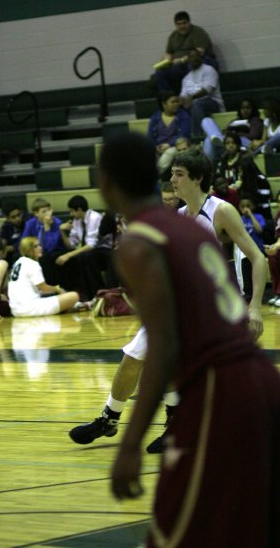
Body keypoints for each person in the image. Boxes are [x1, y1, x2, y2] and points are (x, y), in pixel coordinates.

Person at [87, 133, 280, 548]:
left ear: (107, 182)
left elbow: (165, 348)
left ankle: (114, 418)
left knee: (173, 532)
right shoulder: (185, 225)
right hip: (256, 377)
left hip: (219, 386)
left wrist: (132, 443)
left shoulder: (140, 244)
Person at [69, 149, 266, 453]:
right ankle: (110, 418)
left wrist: (254, 307)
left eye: (179, 174)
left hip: (213, 306)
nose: (172, 179)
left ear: (198, 178)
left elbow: (257, 257)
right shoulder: (179, 215)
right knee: (134, 357)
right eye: (172, 173)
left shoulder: (221, 210)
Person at [8, 237, 79, 317]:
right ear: (28, 250)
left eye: (39, 245)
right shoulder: (32, 264)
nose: (40, 248)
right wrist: (57, 289)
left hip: (15, 310)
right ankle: (80, 305)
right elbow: (43, 288)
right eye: (36, 246)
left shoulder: (18, 262)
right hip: (29, 309)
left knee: (57, 297)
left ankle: (74, 307)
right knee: (73, 295)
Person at [154, 12, 215, 95]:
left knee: (192, 66)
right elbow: (168, 52)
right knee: (160, 72)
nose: (182, 26)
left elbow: (200, 51)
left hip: (197, 61)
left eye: (184, 23)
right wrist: (166, 58)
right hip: (178, 65)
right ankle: (167, 99)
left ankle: (194, 95)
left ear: (189, 22)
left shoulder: (198, 32)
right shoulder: (173, 36)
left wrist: (182, 60)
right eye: (179, 24)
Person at [55, 195, 102, 292]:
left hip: (101, 249)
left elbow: (91, 245)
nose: (71, 214)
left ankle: (94, 293)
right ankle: (67, 291)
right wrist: (62, 232)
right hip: (88, 249)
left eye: (72, 211)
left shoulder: (94, 217)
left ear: (79, 209)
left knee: (83, 256)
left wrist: (68, 255)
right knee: (56, 255)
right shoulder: (77, 221)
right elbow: (71, 245)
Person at [201, 97, 263, 162]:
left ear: (253, 109)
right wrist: (226, 133)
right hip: (228, 142)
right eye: (242, 108)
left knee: (209, 140)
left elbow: (254, 135)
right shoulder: (235, 121)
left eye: (248, 108)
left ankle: (208, 164)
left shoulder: (255, 120)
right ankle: (219, 139)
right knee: (206, 121)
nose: (245, 110)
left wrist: (236, 134)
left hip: (243, 143)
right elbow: (226, 131)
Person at [21, 197, 68, 283]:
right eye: (44, 211)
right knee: (18, 257)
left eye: (49, 210)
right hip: (36, 250)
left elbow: (49, 248)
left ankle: (50, 286)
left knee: (45, 258)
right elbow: (24, 242)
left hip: (56, 251)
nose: (48, 214)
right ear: (36, 213)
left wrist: (47, 226)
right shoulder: (30, 223)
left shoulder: (57, 223)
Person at [179, 49, 224, 137]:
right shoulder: (186, 78)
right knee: (178, 108)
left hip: (213, 103)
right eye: (191, 56)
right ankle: (182, 138)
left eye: (196, 55)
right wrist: (182, 101)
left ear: (200, 57)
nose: (194, 58)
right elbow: (183, 95)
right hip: (194, 106)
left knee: (196, 103)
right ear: (188, 59)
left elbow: (208, 90)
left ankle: (196, 136)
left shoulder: (209, 70)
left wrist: (191, 98)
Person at [147, 94, 191, 176]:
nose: (176, 104)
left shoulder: (183, 116)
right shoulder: (155, 117)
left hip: (176, 146)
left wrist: (169, 145)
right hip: (158, 147)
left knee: (169, 153)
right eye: (173, 102)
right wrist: (156, 148)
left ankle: (152, 176)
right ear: (164, 104)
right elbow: (150, 136)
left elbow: (184, 135)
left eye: (177, 101)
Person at [265, 190, 280, 307]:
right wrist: (273, 246)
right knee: (272, 256)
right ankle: (277, 294)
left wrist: (277, 245)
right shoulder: (278, 215)